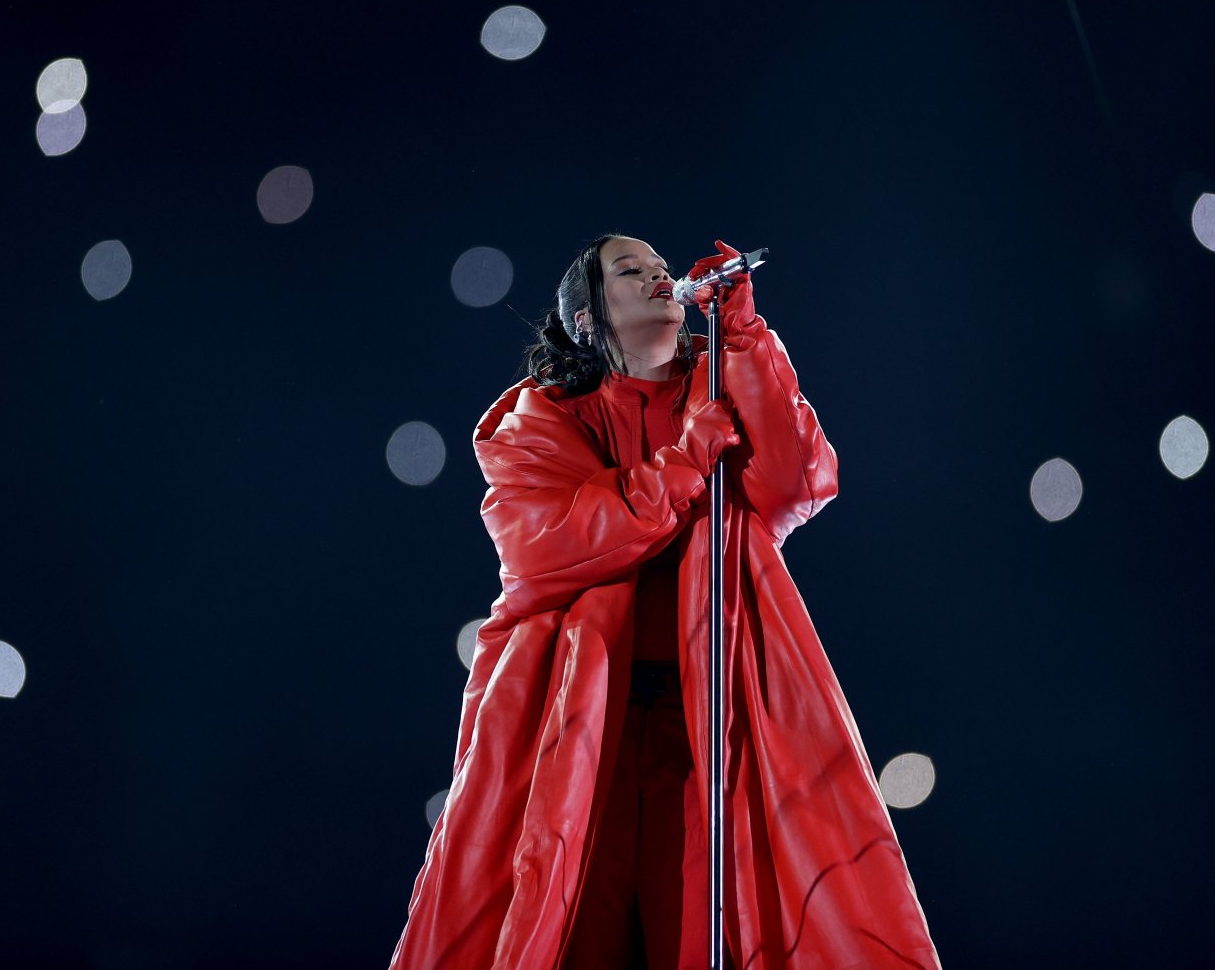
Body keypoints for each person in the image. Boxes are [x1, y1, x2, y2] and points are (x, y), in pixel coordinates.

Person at [391, 235, 939, 969]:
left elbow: (798, 483)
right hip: (581, 729)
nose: (658, 274)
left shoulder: (721, 385)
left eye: (659, 266)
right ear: (586, 318)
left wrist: (742, 334)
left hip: (709, 724)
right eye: (629, 270)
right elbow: (554, 544)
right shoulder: (536, 422)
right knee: (567, 926)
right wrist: (685, 461)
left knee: (709, 930)